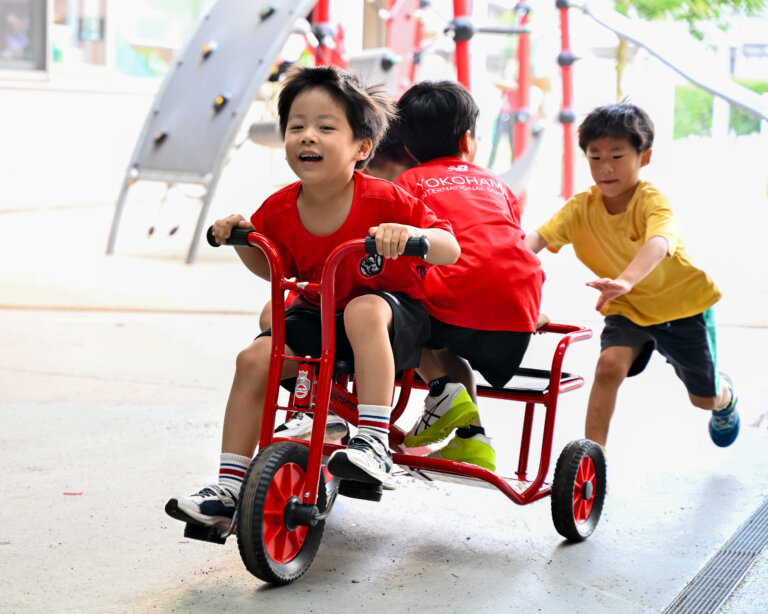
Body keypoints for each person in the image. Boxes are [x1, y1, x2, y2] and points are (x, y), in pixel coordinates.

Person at [165, 65, 460, 528]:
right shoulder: (280, 208)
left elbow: (450, 247)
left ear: (362, 148)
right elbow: (271, 268)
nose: (308, 137)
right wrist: (244, 238)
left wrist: (410, 235)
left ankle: (373, 442)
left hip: (391, 323)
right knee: (254, 358)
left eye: (326, 127)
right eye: (297, 126)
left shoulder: (385, 200)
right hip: (320, 316)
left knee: (363, 309)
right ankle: (229, 485)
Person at [525, 102, 739, 451]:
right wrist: (499, 260)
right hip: (628, 307)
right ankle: (594, 460)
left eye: (617, 156)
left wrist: (625, 280)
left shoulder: (653, 201)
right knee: (608, 366)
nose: (605, 168)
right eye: (595, 157)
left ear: (645, 157)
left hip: (683, 307)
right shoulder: (581, 208)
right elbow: (535, 239)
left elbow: (658, 243)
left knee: (704, 398)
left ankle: (724, 396)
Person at [394, 80, 545, 472]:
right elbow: (507, 245)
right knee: (449, 345)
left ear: (408, 148)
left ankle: (441, 392)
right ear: (468, 140)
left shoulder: (408, 183)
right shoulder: (496, 184)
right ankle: (473, 440)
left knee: (405, 313)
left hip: (454, 302)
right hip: (519, 312)